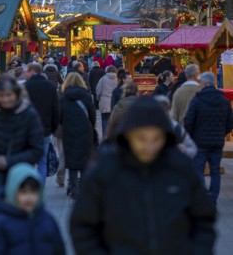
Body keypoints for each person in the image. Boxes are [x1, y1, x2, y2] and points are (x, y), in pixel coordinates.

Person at [70, 96, 216, 255]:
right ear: (128, 135)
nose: (149, 147)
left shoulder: (180, 168)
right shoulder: (105, 171)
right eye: (141, 138)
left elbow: (204, 218)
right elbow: (83, 226)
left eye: (156, 138)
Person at [0, 75, 44, 230]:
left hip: (21, 181)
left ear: (16, 94)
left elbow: (37, 149)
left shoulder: (28, 114)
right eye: (1, 95)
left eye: (9, 95)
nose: (5, 100)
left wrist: (9, 161)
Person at [0, 163, 65, 255]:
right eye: (23, 192)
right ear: (12, 191)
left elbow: (59, 249)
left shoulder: (47, 220)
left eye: (34, 192)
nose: (29, 198)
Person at [185, 71, 233, 202]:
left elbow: (188, 121)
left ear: (205, 83)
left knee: (198, 169)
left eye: (200, 82)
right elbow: (230, 122)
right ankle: (213, 198)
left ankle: (202, 198)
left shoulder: (198, 100)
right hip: (217, 142)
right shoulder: (224, 100)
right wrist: (222, 133)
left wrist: (192, 136)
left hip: (200, 141)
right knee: (215, 171)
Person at [60, 72, 96, 199]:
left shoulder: (64, 97)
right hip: (85, 130)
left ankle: (73, 187)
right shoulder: (86, 96)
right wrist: (92, 125)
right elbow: (92, 114)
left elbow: (60, 115)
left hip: (68, 130)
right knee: (84, 158)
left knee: (72, 159)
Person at [25, 63, 60, 183]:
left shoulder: (25, 86)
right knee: (42, 160)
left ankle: (28, 188)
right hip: (44, 129)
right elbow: (56, 109)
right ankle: (39, 189)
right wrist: (53, 128)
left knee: (28, 160)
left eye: (27, 71)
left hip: (27, 130)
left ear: (32, 71)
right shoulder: (50, 87)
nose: (25, 74)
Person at [155, 95, 197, 159]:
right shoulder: (176, 126)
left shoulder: (176, 127)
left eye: (165, 108)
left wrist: (184, 150)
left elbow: (193, 149)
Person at [96, 65, 117, 137]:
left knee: (104, 120)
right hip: (114, 102)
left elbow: (98, 90)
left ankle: (105, 137)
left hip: (104, 101)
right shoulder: (118, 79)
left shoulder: (103, 79)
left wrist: (98, 98)